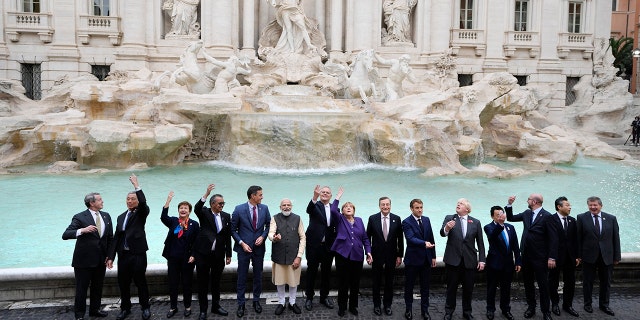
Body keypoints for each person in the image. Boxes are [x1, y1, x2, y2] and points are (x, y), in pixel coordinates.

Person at [62, 192, 113, 320]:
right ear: (92, 203)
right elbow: (66, 234)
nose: (102, 201)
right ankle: (79, 315)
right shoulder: (79, 217)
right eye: (100, 200)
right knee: (81, 289)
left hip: (101, 260)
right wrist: (82, 230)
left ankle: (95, 310)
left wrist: (110, 256)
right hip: (83, 262)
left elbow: (110, 239)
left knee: (98, 287)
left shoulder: (106, 216)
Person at [107, 174, 151, 320]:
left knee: (140, 282)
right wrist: (111, 257)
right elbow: (116, 238)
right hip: (123, 255)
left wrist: (136, 185)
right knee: (123, 283)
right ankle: (125, 308)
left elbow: (144, 203)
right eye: (128, 199)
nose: (130, 201)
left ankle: (145, 307)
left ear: (137, 201)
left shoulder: (141, 213)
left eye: (133, 199)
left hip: (138, 254)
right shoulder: (120, 216)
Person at [505, 194, 557, 320]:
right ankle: (531, 307)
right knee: (528, 284)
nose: (527, 201)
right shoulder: (527, 213)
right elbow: (510, 218)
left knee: (543, 285)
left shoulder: (547, 216)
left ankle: (546, 312)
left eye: (528, 199)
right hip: (526, 256)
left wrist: (552, 257)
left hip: (540, 257)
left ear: (534, 202)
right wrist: (509, 204)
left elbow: (553, 238)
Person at [440, 198, 486, 320]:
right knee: (451, 288)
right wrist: (447, 228)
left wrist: (482, 260)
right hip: (453, 260)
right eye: (457, 203)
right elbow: (442, 233)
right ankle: (449, 311)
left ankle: (467, 312)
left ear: (467, 209)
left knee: (468, 289)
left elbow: (480, 243)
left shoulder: (475, 222)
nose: (458, 205)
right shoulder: (450, 218)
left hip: (469, 261)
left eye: (461, 204)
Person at [576, 196, 621, 317]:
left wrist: (617, 256)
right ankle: (587, 304)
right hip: (588, 256)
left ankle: (604, 305)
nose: (593, 207)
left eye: (595, 205)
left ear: (601, 205)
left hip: (607, 256)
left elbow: (616, 238)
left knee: (606, 282)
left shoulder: (611, 218)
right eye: (590, 205)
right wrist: (578, 255)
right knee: (587, 282)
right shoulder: (581, 218)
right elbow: (578, 239)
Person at [231, 185, 271, 317]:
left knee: (258, 276)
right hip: (244, 249)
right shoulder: (239, 209)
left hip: (259, 249)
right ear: (253, 196)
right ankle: (241, 304)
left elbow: (269, 225)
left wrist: (263, 236)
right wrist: (242, 243)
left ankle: (256, 301)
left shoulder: (264, 208)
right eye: (260, 195)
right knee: (241, 276)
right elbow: (233, 230)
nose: (262, 197)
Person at [330, 192, 372, 317]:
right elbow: (332, 210)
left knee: (355, 283)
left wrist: (368, 252)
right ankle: (342, 307)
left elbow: (365, 238)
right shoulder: (340, 219)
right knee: (343, 283)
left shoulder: (359, 220)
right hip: (342, 256)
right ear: (342, 211)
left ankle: (353, 306)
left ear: (354, 210)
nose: (348, 208)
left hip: (357, 255)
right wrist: (337, 198)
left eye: (351, 207)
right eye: (346, 207)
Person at [193, 184, 232, 320]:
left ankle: (216, 306)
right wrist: (206, 194)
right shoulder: (204, 213)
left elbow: (227, 236)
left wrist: (229, 254)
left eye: (223, 203)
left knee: (216, 282)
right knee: (202, 283)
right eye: (220, 203)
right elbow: (196, 208)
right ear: (212, 204)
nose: (222, 205)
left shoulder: (226, 216)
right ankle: (203, 310)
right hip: (203, 255)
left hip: (218, 256)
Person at [160, 191, 200, 318]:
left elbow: (196, 241)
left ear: (189, 211)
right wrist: (168, 201)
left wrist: (194, 255)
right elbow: (163, 217)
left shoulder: (194, 224)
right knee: (173, 283)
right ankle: (173, 307)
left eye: (185, 208)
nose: (183, 210)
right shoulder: (173, 221)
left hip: (187, 258)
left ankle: (187, 306)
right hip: (173, 257)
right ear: (178, 210)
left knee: (187, 283)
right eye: (181, 208)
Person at [366, 196, 404, 316]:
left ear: (390, 205)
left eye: (387, 204)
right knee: (376, 282)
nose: (385, 207)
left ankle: (387, 305)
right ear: (379, 206)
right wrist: (368, 254)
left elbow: (400, 239)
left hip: (391, 256)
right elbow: (367, 238)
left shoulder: (396, 219)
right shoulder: (373, 219)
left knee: (389, 282)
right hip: (376, 255)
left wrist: (399, 255)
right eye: (383, 204)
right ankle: (376, 305)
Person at [268, 198, 306, 315]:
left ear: (291, 206)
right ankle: (281, 302)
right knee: (280, 281)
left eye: (288, 205)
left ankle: (292, 302)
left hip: (293, 257)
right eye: (284, 205)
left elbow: (303, 237)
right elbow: (270, 233)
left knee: (293, 281)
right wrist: (274, 237)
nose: (286, 207)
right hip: (279, 256)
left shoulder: (298, 218)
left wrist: (299, 256)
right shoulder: (274, 218)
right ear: (280, 207)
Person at [304, 185, 339, 311]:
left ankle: (324, 296)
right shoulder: (315, 205)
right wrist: (314, 196)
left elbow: (338, 226)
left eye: (327, 192)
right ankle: (309, 297)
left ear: (330, 196)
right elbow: (308, 209)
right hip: (314, 246)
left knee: (326, 273)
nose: (324, 193)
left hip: (328, 247)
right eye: (322, 192)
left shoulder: (335, 209)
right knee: (311, 272)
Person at [484, 206, 521, 320]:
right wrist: (499, 225)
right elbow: (492, 236)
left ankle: (505, 309)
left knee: (506, 288)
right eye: (497, 215)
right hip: (494, 264)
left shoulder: (510, 227)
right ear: (492, 216)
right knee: (491, 288)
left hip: (508, 264)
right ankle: (490, 309)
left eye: (502, 214)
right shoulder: (488, 227)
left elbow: (515, 245)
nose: (501, 216)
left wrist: (518, 261)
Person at [402, 199, 436, 320]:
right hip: (412, 260)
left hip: (426, 260)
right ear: (411, 209)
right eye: (417, 208)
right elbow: (410, 239)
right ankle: (408, 310)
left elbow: (431, 237)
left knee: (425, 287)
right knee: (409, 287)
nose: (420, 210)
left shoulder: (426, 219)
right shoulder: (406, 222)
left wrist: (433, 256)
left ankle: (425, 311)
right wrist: (424, 243)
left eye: (421, 207)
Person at [548, 197, 580, 317]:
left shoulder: (572, 220)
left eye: (570, 205)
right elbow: (550, 240)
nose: (570, 207)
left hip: (570, 258)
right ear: (559, 207)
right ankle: (554, 304)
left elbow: (575, 240)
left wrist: (577, 256)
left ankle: (568, 305)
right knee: (553, 282)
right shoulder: (550, 219)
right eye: (567, 205)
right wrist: (551, 257)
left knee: (570, 282)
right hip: (555, 258)